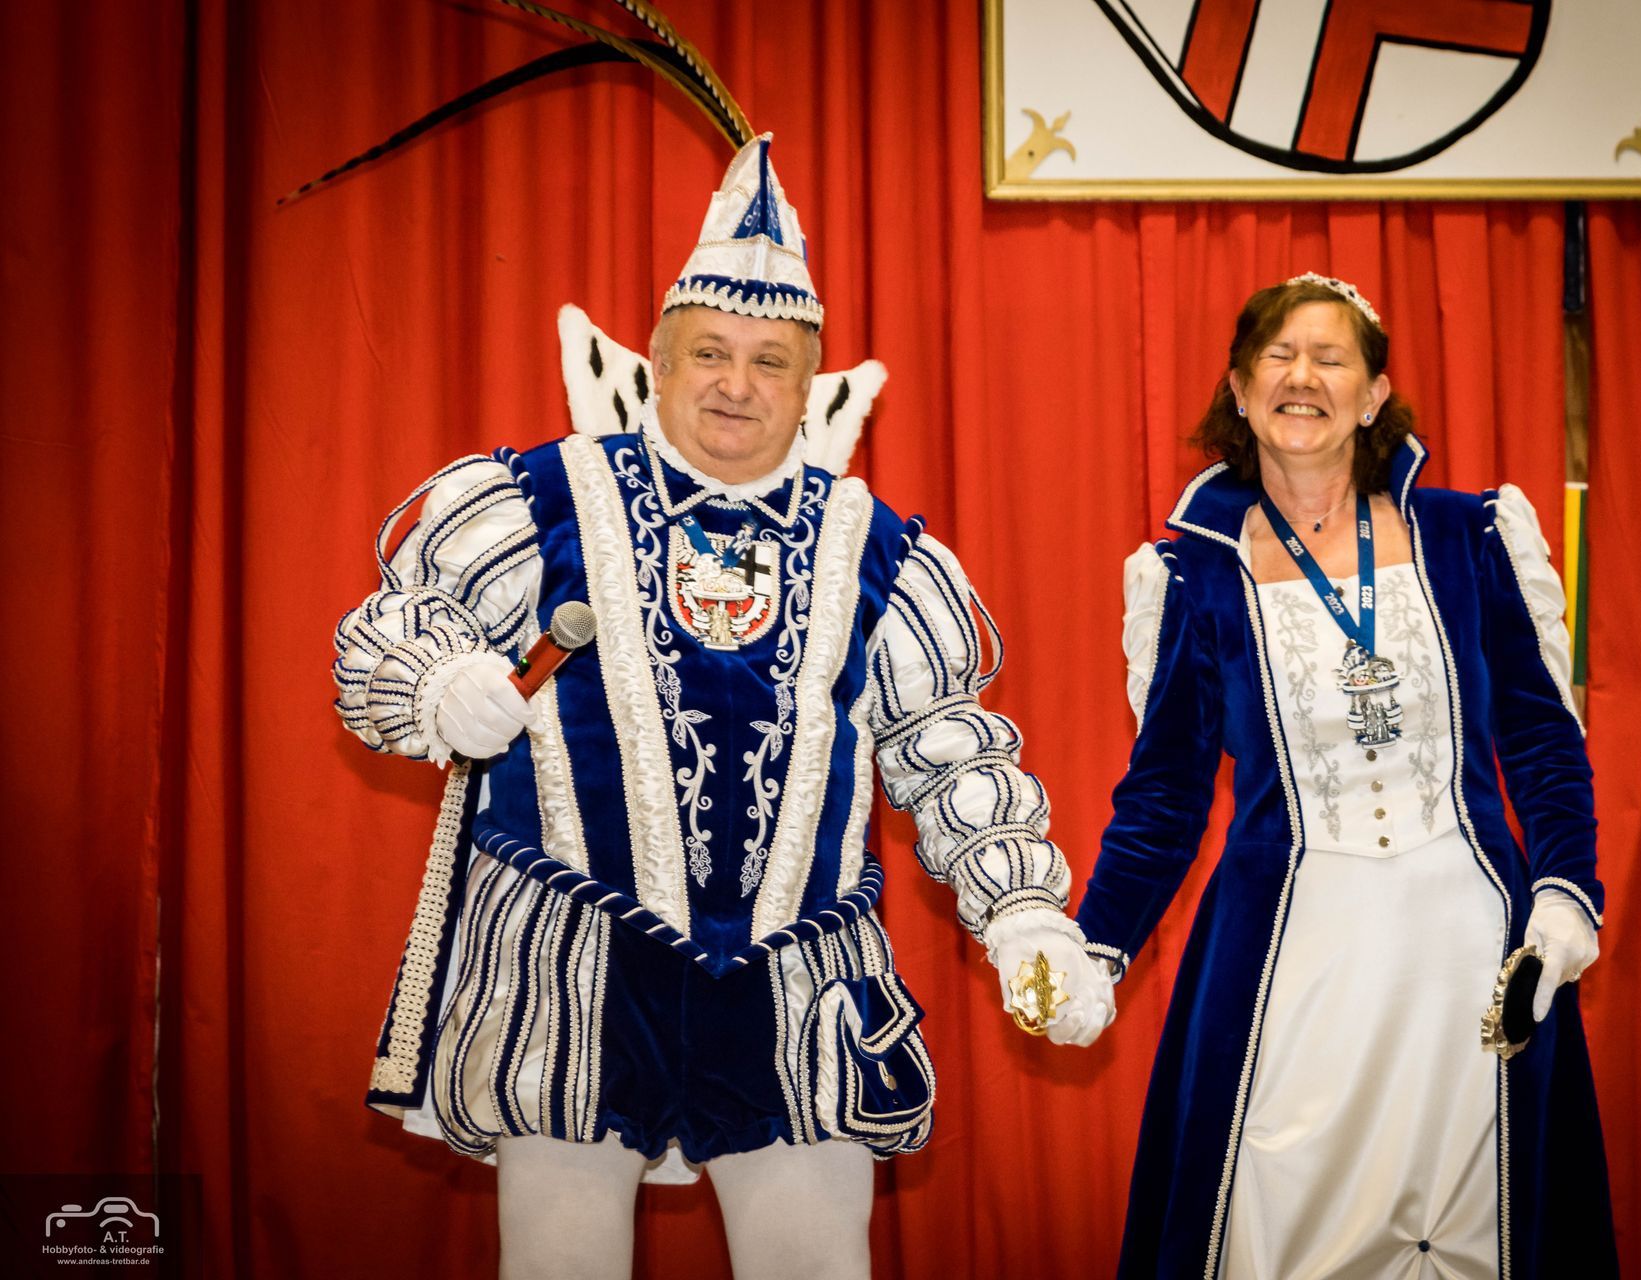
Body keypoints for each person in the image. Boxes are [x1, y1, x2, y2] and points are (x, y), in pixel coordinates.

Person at [331, 135, 1113, 1279]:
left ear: (811, 385)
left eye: (768, 361)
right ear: (656, 360)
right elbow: (388, 632)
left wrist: (1026, 912)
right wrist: (437, 685)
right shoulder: (539, 500)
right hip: (573, 969)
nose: (735, 384)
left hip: (799, 981)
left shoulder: (879, 549)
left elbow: (947, 753)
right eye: (709, 352)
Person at [1074, 275, 1614, 1278]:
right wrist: (1095, 947)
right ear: (1240, 389)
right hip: (1292, 957)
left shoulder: (1469, 537)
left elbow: (1542, 739)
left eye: (1332, 358)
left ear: (1374, 396)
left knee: (1480, 1220)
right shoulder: (1193, 574)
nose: (1303, 376)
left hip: (1469, 951)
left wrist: (1565, 890)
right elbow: (1164, 798)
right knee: (1283, 1216)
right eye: (1278, 356)